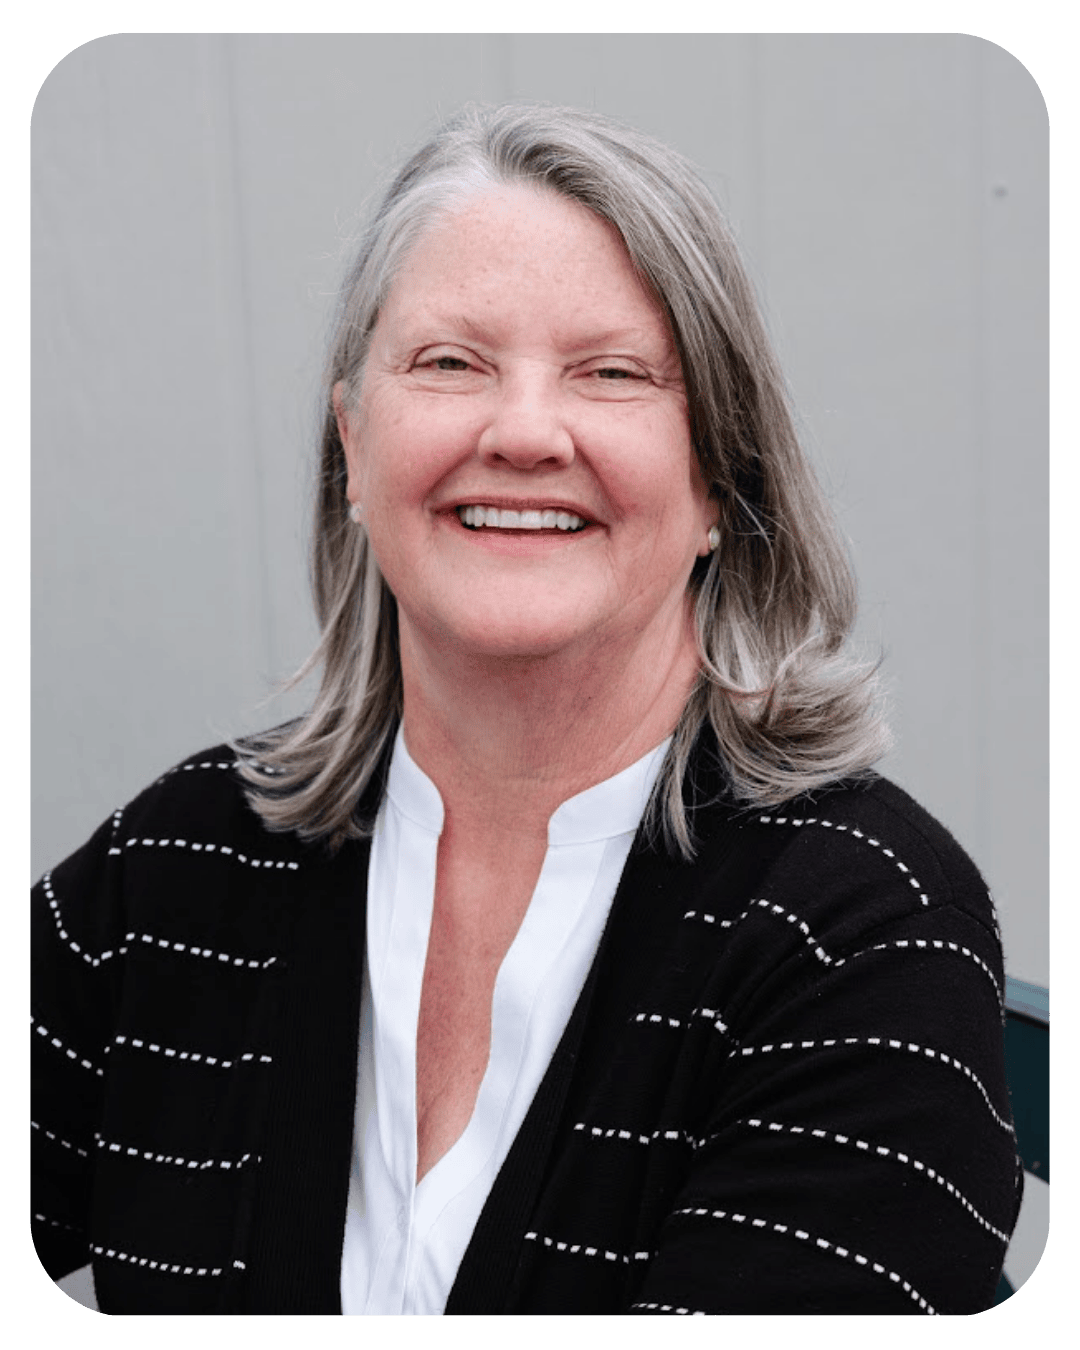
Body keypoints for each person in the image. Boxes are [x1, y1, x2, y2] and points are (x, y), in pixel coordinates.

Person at [31, 103, 1020, 1316]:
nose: (524, 432)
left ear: (720, 479)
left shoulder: (866, 931)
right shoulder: (178, 862)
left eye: (611, 374)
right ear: (353, 447)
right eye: (451, 363)